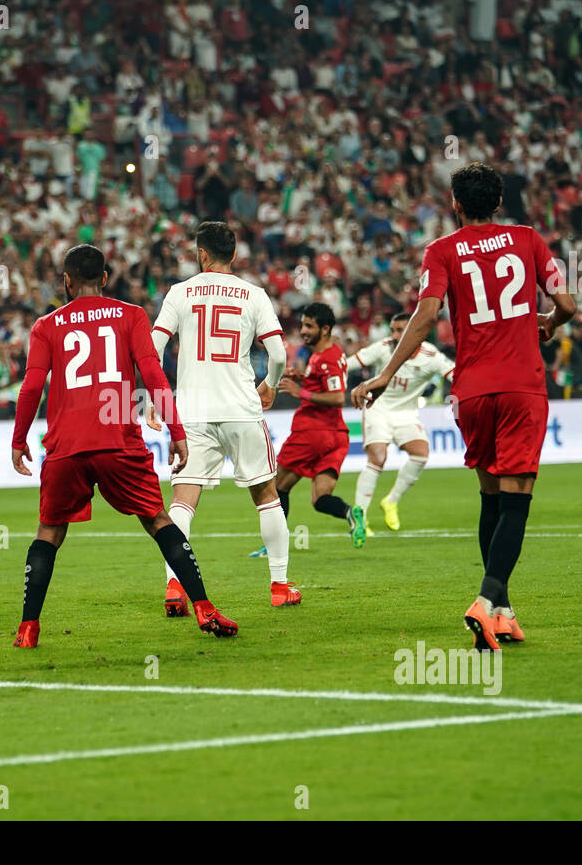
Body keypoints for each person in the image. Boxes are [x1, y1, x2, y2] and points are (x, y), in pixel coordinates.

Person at [353, 162, 577, 650]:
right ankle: (486, 598)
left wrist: (386, 374)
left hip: (471, 391)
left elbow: (426, 315)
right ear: (498, 202)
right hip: (521, 386)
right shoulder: (529, 239)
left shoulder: (441, 251)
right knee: (517, 496)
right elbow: (570, 304)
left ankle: (504, 611)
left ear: (455, 203)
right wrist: (551, 321)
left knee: (490, 496)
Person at [9, 244, 235, 647]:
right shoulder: (131, 315)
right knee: (157, 520)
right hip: (117, 440)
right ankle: (203, 607)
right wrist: (177, 432)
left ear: (66, 280)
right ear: (106, 279)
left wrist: (18, 439)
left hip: (67, 446)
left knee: (48, 532)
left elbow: (30, 386)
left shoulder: (46, 325)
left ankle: (28, 629)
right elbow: (154, 376)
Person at [149, 221, 299, 611]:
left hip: (193, 412)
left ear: (201, 254)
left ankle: (175, 586)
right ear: (233, 254)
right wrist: (269, 383)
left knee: (182, 502)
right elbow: (279, 354)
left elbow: (154, 346)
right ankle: (280, 587)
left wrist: (154, 398)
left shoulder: (180, 293)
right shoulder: (253, 294)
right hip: (241, 409)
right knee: (266, 497)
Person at [351, 311, 456, 531]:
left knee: (421, 454)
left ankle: (391, 501)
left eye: (401, 330)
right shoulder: (383, 347)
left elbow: (456, 376)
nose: (395, 335)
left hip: (406, 413)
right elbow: (349, 363)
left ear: (415, 331)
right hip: (377, 407)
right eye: (393, 330)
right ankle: (360, 518)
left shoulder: (431, 356)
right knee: (378, 457)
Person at [271, 302, 365, 547]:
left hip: (313, 431)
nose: (303, 330)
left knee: (277, 486)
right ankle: (350, 512)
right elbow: (326, 385)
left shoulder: (328, 359)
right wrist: (303, 379)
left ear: (325, 329)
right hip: (336, 436)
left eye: (309, 326)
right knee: (320, 498)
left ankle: (274, 547)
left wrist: (299, 391)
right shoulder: (326, 356)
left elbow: (336, 397)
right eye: (303, 325)